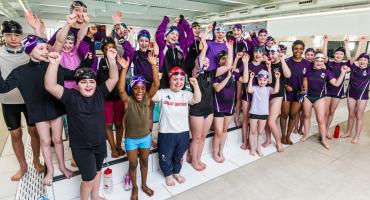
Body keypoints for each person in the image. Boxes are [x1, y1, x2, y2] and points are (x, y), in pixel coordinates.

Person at [44, 48, 118, 200]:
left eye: (91, 81)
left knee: (98, 171)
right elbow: (50, 86)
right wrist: (53, 64)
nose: (88, 85)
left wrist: (111, 60)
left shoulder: (99, 93)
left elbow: (113, 79)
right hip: (81, 147)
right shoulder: (71, 96)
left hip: (99, 142)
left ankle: (95, 196)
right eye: (83, 82)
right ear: (77, 85)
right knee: (88, 178)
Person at [0, 35, 75, 185]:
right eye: (41, 48)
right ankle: (50, 171)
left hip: (56, 108)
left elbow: (73, 74)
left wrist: (90, 65)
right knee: (45, 141)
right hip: (38, 111)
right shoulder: (20, 72)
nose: (45, 51)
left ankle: (62, 166)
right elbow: (3, 88)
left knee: (58, 140)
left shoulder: (53, 65)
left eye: (46, 47)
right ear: (29, 51)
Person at [0, 20, 44, 181]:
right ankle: (23, 166)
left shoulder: (27, 52)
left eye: (16, 35)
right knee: (15, 133)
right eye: (8, 35)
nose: (13, 38)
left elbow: (42, 47)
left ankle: (37, 161)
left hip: (29, 99)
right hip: (8, 100)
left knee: (33, 131)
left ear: (21, 36)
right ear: (3, 35)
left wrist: (38, 29)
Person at [188, 33, 238, 170]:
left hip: (208, 110)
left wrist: (230, 49)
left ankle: (197, 158)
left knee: (203, 137)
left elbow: (227, 67)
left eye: (207, 61)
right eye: (203, 61)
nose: (205, 62)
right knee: (196, 138)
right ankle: (193, 160)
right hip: (197, 110)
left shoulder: (211, 74)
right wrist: (204, 49)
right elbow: (199, 64)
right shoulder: (195, 74)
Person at [118, 51, 159, 200]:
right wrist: (124, 69)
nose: (140, 91)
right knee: (133, 163)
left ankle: (144, 184)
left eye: (142, 88)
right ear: (132, 89)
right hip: (131, 140)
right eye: (136, 88)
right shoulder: (128, 102)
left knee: (145, 161)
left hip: (145, 138)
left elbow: (156, 84)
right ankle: (134, 187)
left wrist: (153, 65)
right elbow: (121, 89)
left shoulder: (147, 99)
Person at [152, 67, 201, 186]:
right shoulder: (163, 93)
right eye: (175, 79)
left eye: (181, 79)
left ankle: (176, 172)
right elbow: (151, 97)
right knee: (165, 155)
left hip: (183, 132)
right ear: (169, 80)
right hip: (166, 132)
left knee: (179, 155)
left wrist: (196, 85)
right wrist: (155, 82)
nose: (178, 82)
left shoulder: (186, 94)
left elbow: (197, 99)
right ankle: (168, 174)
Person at [301, 53, 350, 149]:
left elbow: (336, 83)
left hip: (319, 98)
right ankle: (306, 135)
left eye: (321, 61)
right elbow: (305, 80)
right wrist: (304, 90)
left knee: (321, 120)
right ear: (314, 61)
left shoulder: (327, 72)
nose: (319, 63)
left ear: (323, 62)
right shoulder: (308, 70)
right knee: (306, 116)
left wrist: (343, 73)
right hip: (308, 97)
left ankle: (323, 140)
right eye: (317, 60)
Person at [212, 40, 249, 162]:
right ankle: (214, 153)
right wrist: (228, 76)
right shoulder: (215, 73)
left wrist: (245, 63)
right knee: (218, 131)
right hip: (218, 106)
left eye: (227, 59)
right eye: (223, 59)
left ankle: (221, 151)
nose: (225, 61)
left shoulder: (233, 73)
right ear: (219, 61)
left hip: (229, 106)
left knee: (224, 130)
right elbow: (217, 88)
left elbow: (245, 80)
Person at [323, 35, 365, 132]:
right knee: (325, 112)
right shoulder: (329, 63)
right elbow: (324, 55)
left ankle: (326, 130)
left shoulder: (345, 64)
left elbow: (356, 56)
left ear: (343, 55)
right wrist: (326, 42)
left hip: (338, 91)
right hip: (327, 90)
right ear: (334, 54)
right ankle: (323, 130)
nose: (338, 55)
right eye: (337, 53)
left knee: (331, 112)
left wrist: (359, 43)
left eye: (341, 54)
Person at [97, 37, 126, 158]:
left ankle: (119, 145)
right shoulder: (99, 62)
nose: (109, 50)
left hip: (118, 97)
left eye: (112, 48)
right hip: (105, 99)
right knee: (108, 124)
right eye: (106, 49)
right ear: (103, 50)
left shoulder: (119, 61)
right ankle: (113, 148)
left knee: (119, 123)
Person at [240, 46, 272, 150]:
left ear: (263, 54)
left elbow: (270, 82)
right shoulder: (247, 65)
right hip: (247, 96)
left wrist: (269, 67)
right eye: (256, 52)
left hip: (259, 100)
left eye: (260, 52)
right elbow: (237, 73)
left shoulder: (264, 66)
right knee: (245, 119)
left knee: (254, 121)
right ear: (253, 53)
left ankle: (252, 143)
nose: (258, 54)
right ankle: (245, 142)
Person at [280, 40, 311, 145]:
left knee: (293, 115)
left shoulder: (307, 63)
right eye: (296, 48)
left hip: (298, 93)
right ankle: (283, 136)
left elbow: (305, 78)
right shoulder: (287, 61)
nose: (298, 51)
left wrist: (305, 89)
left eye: (301, 49)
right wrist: (285, 86)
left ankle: (288, 136)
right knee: (284, 114)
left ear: (303, 50)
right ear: (292, 49)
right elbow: (281, 76)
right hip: (287, 91)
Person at [263, 45, 291, 152]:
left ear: (278, 53)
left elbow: (288, 75)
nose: (271, 55)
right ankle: (268, 139)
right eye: (269, 53)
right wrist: (268, 66)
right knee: (266, 120)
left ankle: (279, 143)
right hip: (266, 95)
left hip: (278, 95)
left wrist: (282, 59)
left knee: (271, 121)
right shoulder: (267, 64)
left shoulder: (282, 63)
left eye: (273, 53)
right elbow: (268, 81)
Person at [156, 15, 194, 88]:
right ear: (166, 35)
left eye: (177, 35)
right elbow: (159, 33)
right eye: (172, 33)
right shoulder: (163, 47)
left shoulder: (180, 47)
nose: (175, 36)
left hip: (179, 84)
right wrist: (166, 20)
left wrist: (183, 22)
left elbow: (191, 37)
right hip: (165, 84)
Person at [248, 70, 280, 156]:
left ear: (267, 81)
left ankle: (258, 148)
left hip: (264, 114)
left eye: (264, 80)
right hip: (254, 113)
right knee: (252, 131)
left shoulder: (268, 89)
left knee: (260, 132)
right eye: (260, 80)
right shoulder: (254, 88)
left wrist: (277, 79)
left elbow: (276, 90)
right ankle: (252, 148)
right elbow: (249, 90)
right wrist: (251, 78)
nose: (262, 82)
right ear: (257, 80)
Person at [343, 52, 370, 143]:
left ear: (368, 61)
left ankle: (357, 137)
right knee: (351, 114)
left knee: (359, 115)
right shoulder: (354, 67)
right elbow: (350, 58)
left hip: (362, 96)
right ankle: (348, 132)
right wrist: (346, 44)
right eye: (361, 59)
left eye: (365, 60)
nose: (362, 61)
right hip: (351, 94)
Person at [232, 23, 248, 128]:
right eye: (234, 30)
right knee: (229, 95)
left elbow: (246, 59)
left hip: (238, 73)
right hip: (230, 71)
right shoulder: (230, 43)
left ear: (241, 32)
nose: (236, 32)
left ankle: (237, 118)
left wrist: (240, 69)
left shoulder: (244, 44)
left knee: (238, 97)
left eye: (238, 30)